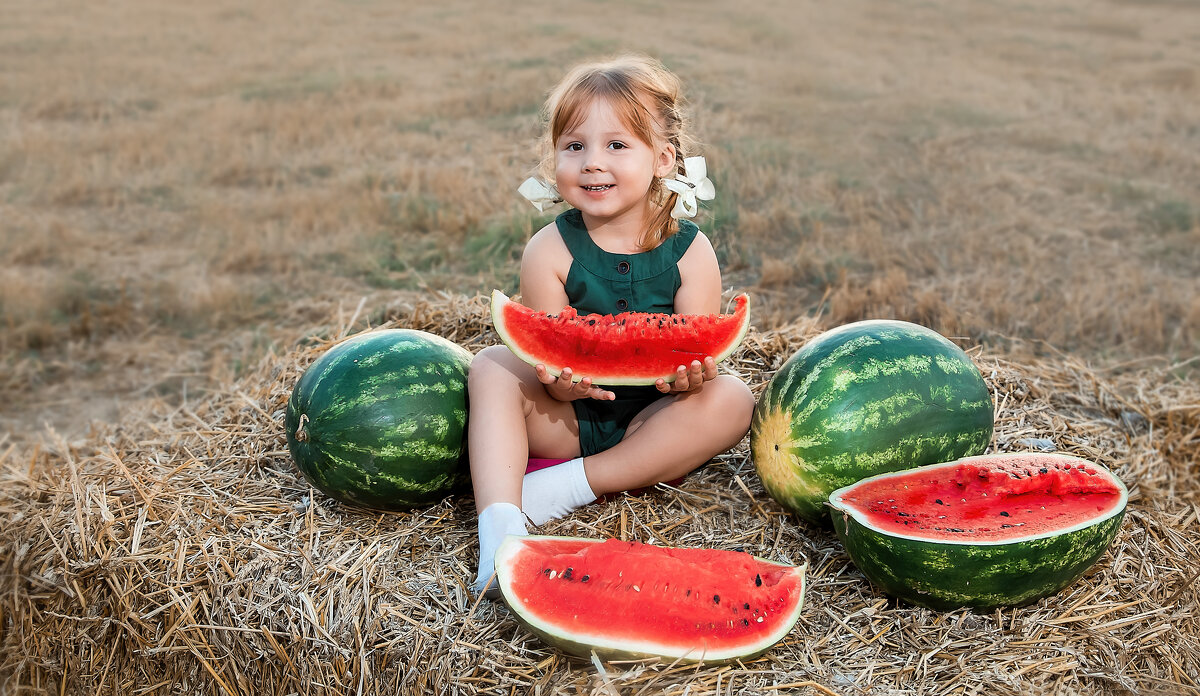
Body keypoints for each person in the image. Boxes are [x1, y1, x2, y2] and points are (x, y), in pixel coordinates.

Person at [469, 55, 755, 595]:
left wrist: (691, 378)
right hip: (569, 423)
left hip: (655, 418)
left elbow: (692, 354)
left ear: (664, 158)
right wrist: (557, 380)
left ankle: (563, 489)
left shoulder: (693, 254)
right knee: (491, 368)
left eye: (616, 146)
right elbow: (549, 357)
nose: (592, 163)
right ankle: (500, 530)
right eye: (574, 146)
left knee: (733, 399)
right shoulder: (548, 250)